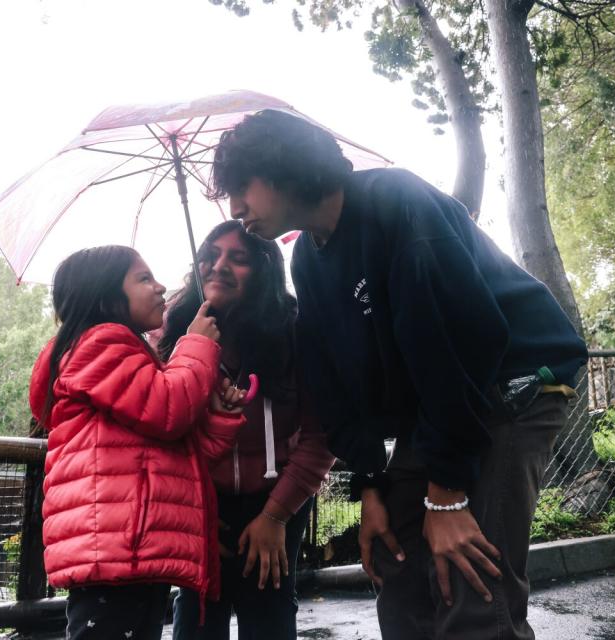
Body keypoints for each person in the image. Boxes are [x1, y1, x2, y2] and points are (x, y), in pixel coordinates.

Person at [208, 110, 589, 639]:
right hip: (436, 405)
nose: (235, 208)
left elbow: (462, 342)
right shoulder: (307, 264)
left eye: (241, 187)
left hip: (512, 381)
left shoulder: (396, 203)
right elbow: (336, 388)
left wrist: (447, 495)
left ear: (282, 168)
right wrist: (370, 487)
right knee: (394, 558)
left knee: (467, 575)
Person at [29, 245, 248, 640]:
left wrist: (221, 415)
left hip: (136, 546)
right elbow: (170, 410)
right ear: (105, 296)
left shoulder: (129, 355)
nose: (161, 287)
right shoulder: (99, 345)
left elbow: (183, 455)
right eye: (144, 278)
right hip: (118, 549)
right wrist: (195, 345)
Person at [158, 221, 336, 640]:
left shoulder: (297, 333)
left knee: (270, 611)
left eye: (237, 259)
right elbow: (160, 433)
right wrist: (193, 514)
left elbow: (321, 437)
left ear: (265, 270)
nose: (218, 266)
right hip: (202, 504)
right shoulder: (172, 332)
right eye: (211, 255)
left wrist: (275, 516)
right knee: (198, 612)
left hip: (278, 498)